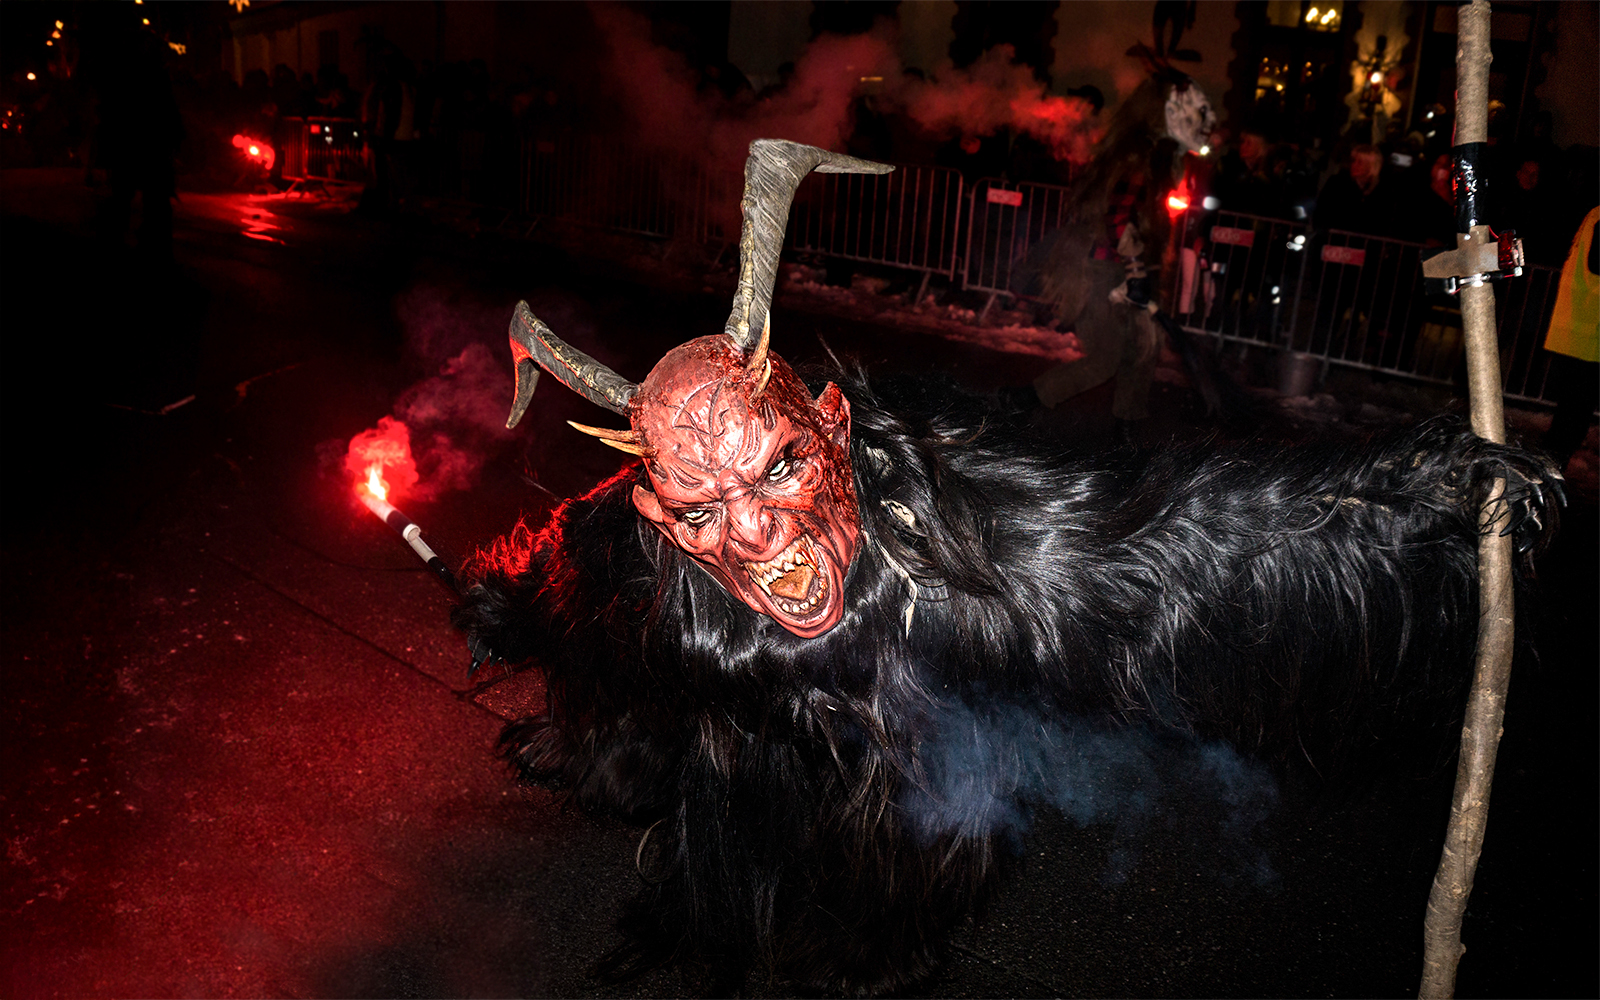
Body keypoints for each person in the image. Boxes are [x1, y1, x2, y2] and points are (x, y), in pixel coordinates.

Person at [1541, 206, 1599, 469]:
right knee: (1575, 412)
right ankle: (1551, 471)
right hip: (1589, 332)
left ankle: (1551, 466)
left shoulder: (1595, 213)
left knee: (1570, 410)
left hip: (1579, 327)